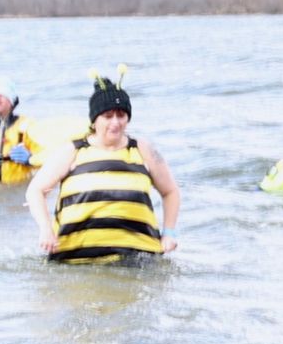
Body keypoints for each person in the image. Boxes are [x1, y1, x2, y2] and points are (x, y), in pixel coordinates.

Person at [25, 66, 181, 262]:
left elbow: (170, 191)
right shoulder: (73, 151)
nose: (115, 122)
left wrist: (169, 233)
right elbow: (35, 190)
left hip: (138, 259)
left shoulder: (143, 149)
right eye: (108, 116)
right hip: (75, 261)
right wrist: (46, 230)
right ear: (94, 120)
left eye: (121, 115)